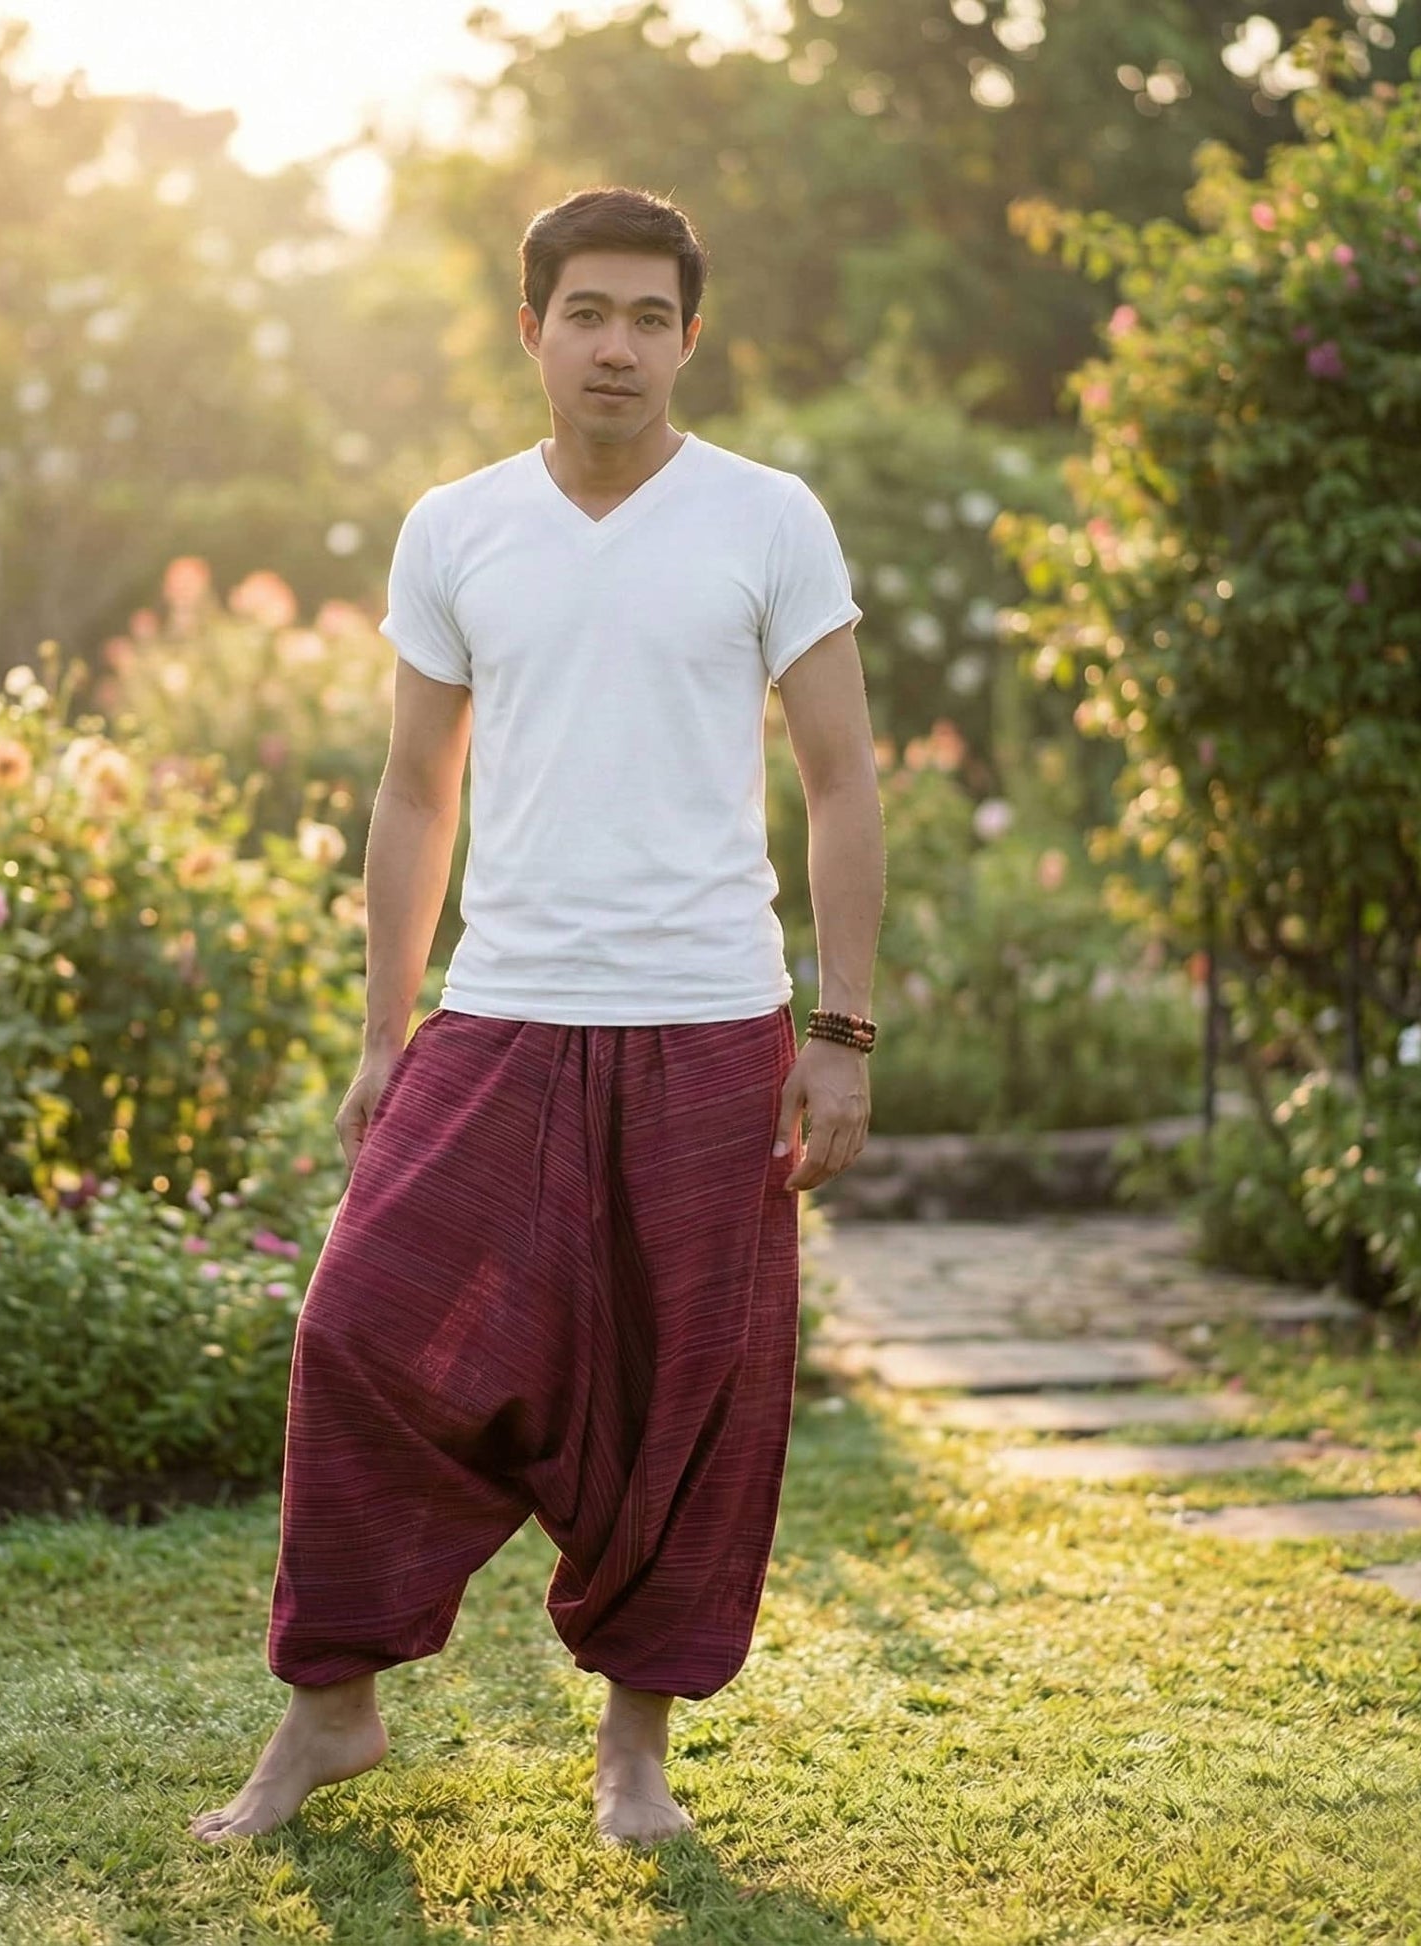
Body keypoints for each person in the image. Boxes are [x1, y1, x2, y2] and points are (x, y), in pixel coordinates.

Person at [192, 185, 884, 1850]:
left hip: (710, 1020)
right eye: (588, 313)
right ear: (531, 328)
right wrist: (383, 1030)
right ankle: (330, 1713)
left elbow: (843, 780)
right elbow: (413, 793)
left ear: (689, 339)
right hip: (500, 1010)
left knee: (680, 1392)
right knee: (356, 1331)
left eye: (652, 317)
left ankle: (632, 1753)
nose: (618, 347)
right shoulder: (457, 525)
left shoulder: (766, 516)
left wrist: (838, 1025)